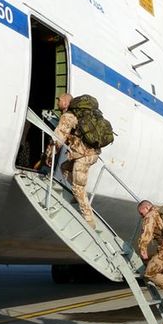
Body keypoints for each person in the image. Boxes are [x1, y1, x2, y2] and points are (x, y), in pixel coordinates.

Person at [45, 93, 99, 229]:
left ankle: (89, 222)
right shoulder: (82, 115)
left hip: (84, 155)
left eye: (59, 100)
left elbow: (58, 138)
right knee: (65, 167)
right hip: (90, 154)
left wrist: (49, 154)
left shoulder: (68, 116)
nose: (57, 102)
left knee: (78, 187)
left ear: (65, 102)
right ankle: (77, 196)